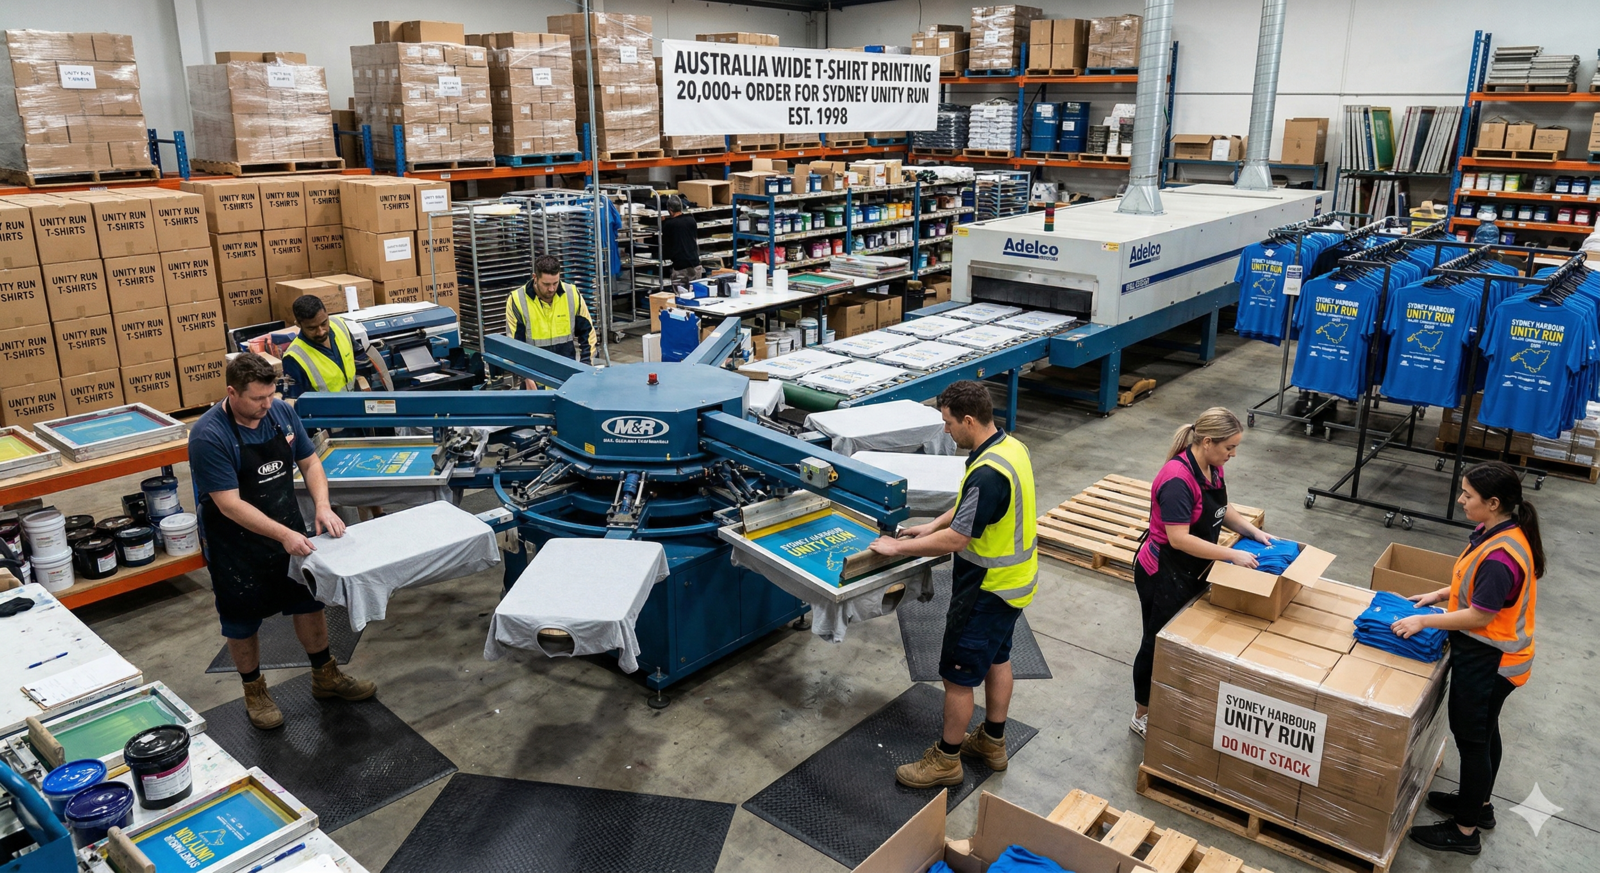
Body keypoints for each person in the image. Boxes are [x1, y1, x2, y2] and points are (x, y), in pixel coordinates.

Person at [188, 353, 376, 730]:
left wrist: (322, 507)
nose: (265, 404)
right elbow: (229, 504)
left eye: (270, 394)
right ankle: (254, 690)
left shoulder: (281, 413)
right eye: (257, 398)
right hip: (234, 544)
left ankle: (326, 676)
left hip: (287, 528)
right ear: (232, 392)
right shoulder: (210, 435)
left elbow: (310, 462)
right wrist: (285, 534)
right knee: (242, 620)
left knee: (308, 600)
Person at [868, 381, 1037, 788]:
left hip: (986, 588)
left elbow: (958, 540)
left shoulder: (988, 473)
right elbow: (968, 508)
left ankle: (946, 760)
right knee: (998, 658)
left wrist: (898, 548)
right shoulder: (1009, 449)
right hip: (1015, 583)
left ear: (967, 419)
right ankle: (993, 742)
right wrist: (931, 523)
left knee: (957, 677)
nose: (945, 431)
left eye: (947, 424)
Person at [1395, 461, 1541, 857]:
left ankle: (1464, 832)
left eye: (1467, 495)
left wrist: (1425, 619)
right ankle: (1480, 806)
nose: (1460, 500)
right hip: (1492, 654)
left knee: (1473, 740)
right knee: (1486, 731)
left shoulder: (1502, 556)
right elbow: (1470, 585)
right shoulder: (1497, 532)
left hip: (1492, 660)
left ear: (1493, 503)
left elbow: (1480, 614)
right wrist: (1438, 596)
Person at [1129, 407, 1272, 739]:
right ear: (1207, 442)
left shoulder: (1211, 466)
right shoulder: (1177, 479)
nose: (1233, 454)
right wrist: (1231, 555)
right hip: (1163, 572)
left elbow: (1221, 508)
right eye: (1229, 448)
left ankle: (1170, 695)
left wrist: (1252, 532)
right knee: (1156, 643)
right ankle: (1142, 713)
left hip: (1193, 568)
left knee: (1182, 639)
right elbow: (1178, 539)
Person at [503, 254, 596, 389]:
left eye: (555, 283)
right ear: (535, 277)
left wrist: (586, 366)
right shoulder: (517, 300)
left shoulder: (572, 294)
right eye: (546, 284)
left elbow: (588, 335)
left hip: (568, 380)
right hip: (534, 382)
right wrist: (526, 376)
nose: (552, 289)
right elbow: (514, 344)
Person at [282, 295, 359, 399]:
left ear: (327, 314)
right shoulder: (294, 358)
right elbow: (296, 402)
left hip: (356, 403)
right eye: (312, 328)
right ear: (298, 324)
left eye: (324, 323)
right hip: (326, 413)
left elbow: (360, 358)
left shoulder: (339, 325)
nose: (321, 332)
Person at [662, 196, 702, 284]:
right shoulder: (691, 220)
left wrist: (663, 222)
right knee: (696, 293)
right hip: (695, 264)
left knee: (681, 295)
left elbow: (666, 243)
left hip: (681, 267)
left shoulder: (668, 224)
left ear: (670, 210)